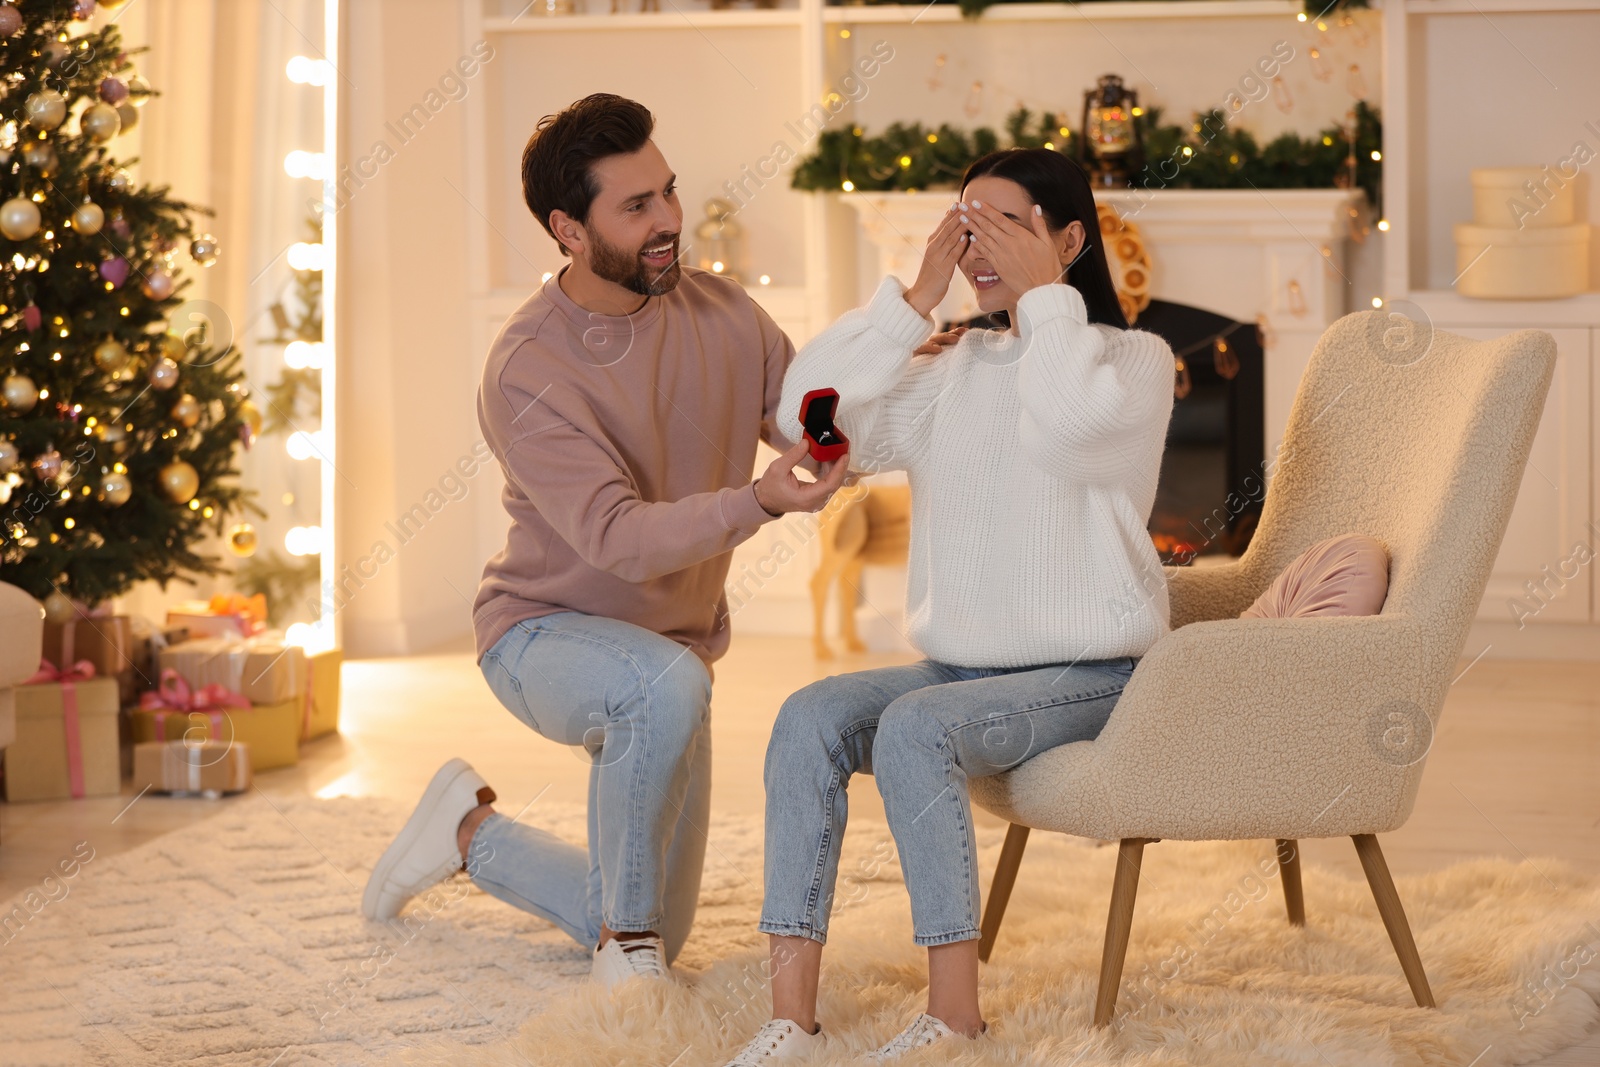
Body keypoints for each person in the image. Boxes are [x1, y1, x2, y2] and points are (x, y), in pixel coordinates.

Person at [360, 93, 852, 988]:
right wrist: (759, 500)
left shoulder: (724, 313)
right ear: (568, 229)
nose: (669, 221)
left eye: (668, 192)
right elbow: (619, 540)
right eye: (636, 207)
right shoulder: (529, 367)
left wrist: (889, 380)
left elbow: (808, 418)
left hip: (669, 656)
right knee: (640, 909)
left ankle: (468, 834)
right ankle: (625, 960)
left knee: (663, 915)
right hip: (542, 633)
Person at [720, 148, 1176, 1063]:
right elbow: (806, 413)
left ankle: (955, 1018)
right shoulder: (951, 366)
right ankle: (792, 1021)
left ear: (1070, 237)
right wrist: (910, 303)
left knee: (917, 728)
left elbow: (1073, 430)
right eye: (966, 225)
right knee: (808, 716)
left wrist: (1048, 301)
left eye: (1007, 224)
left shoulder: (1133, 360)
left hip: (1092, 672)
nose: (978, 245)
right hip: (961, 666)